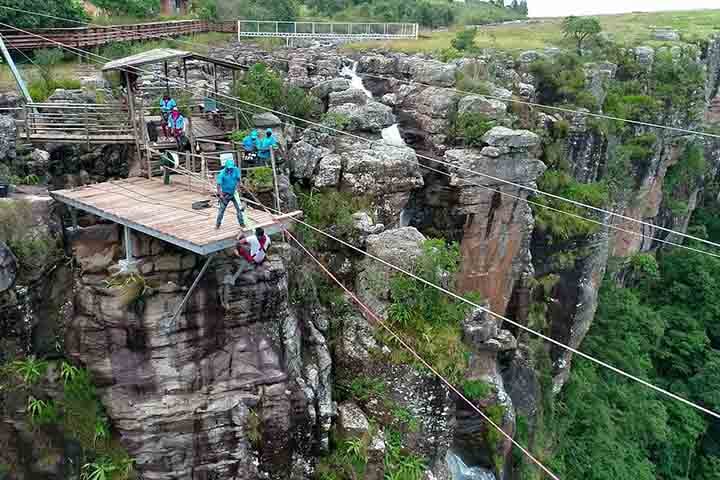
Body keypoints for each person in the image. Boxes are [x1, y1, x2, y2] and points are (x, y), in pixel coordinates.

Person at [215, 155, 245, 229]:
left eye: (231, 168)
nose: (230, 170)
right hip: (225, 194)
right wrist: (221, 195)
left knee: (239, 209)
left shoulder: (236, 170)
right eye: (228, 168)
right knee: (221, 210)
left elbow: (238, 180)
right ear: (226, 167)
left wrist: (237, 188)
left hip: (234, 193)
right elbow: (218, 185)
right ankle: (217, 224)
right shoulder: (222, 174)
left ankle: (242, 224)